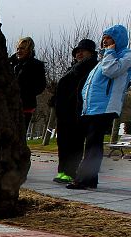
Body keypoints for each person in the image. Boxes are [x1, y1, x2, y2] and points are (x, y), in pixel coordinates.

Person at [69, 24, 131, 190]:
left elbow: (112, 71)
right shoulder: (104, 58)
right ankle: (90, 179)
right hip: (92, 107)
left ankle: (83, 178)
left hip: (105, 107)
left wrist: (110, 52)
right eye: (103, 38)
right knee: (91, 143)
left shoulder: (126, 56)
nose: (104, 41)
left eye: (108, 38)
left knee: (93, 144)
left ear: (118, 39)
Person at [50, 39, 98, 184]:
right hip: (64, 110)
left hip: (78, 109)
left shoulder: (92, 68)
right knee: (63, 141)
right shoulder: (72, 68)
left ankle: (70, 171)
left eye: (83, 51)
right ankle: (63, 170)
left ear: (91, 52)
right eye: (77, 51)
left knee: (75, 142)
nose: (79, 53)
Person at [9, 37, 47, 133]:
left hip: (25, 104)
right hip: (9, 103)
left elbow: (41, 86)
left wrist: (27, 92)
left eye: (22, 48)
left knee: (19, 133)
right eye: (18, 48)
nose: (19, 51)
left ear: (29, 50)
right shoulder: (11, 64)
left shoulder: (36, 65)